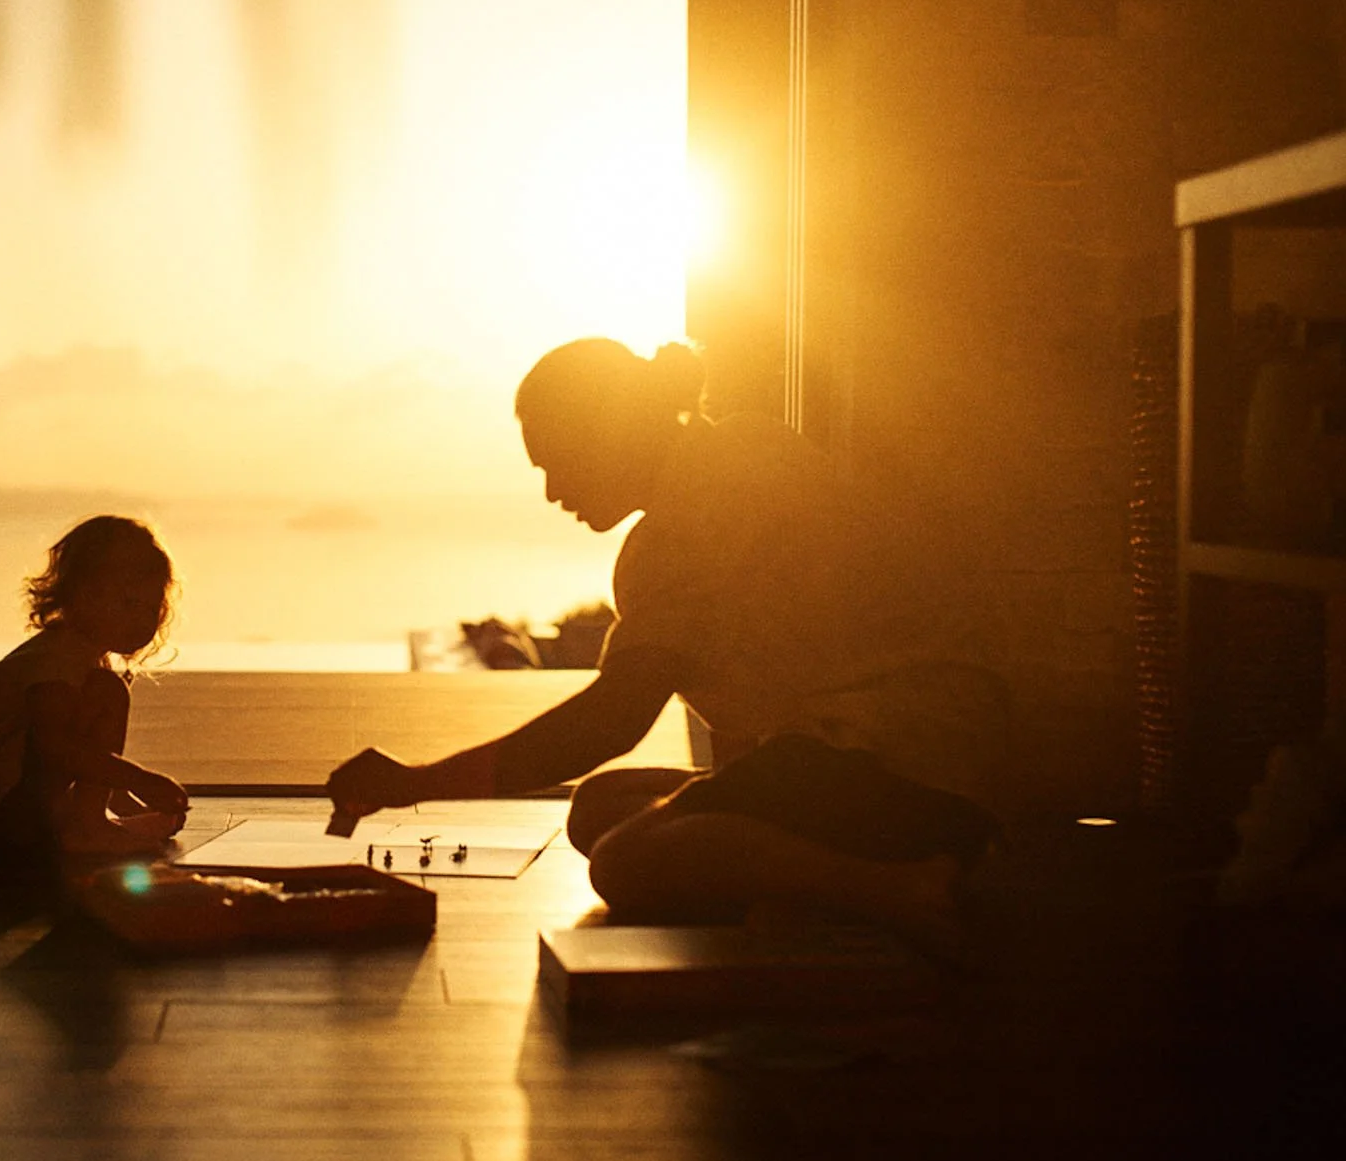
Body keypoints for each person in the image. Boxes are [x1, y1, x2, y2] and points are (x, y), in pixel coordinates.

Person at [326, 339, 1007, 957]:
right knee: (600, 805)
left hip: (891, 770)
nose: (552, 490)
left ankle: (892, 888)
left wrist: (415, 783)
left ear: (605, 431)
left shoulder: (682, 528)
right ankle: (799, 879)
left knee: (623, 861)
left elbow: (608, 722)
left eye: (556, 460)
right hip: (926, 756)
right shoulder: (745, 448)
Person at [0, 515, 190, 859]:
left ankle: (91, 823)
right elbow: (57, 748)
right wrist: (140, 779)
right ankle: (89, 827)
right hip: (0, 814)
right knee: (109, 690)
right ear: (83, 596)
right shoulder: (56, 661)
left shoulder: (80, 658)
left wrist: (128, 804)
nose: (142, 619)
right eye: (129, 604)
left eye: (151, 608)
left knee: (107, 688)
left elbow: (82, 759)